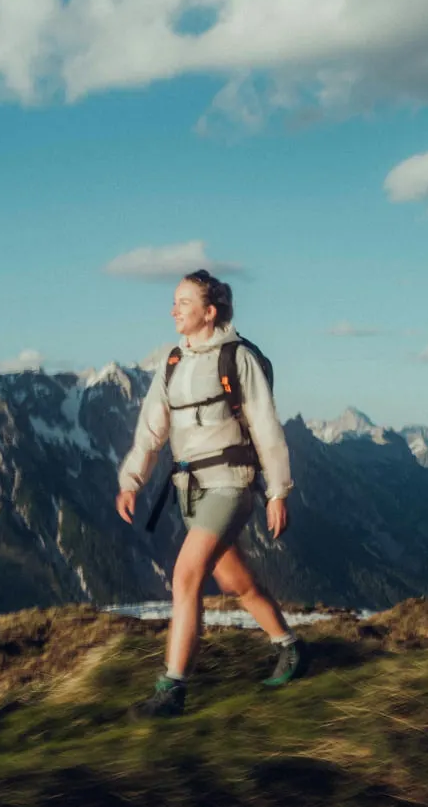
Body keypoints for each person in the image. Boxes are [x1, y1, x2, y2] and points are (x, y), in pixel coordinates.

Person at [115, 268, 305, 718]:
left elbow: (265, 425)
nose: (173, 310)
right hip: (188, 489)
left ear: (209, 311)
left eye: (183, 302)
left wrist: (278, 491)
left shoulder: (237, 358)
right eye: (175, 301)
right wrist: (131, 481)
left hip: (231, 483)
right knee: (233, 580)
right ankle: (291, 648)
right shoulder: (172, 362)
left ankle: (171, 690)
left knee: (185, 576)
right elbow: (150, 430)